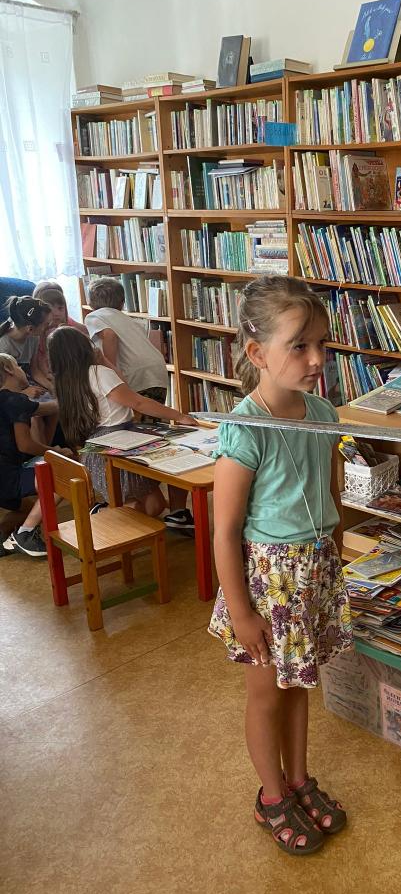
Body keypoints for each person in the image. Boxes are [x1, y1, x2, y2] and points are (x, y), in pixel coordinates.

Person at [208, 276, 353, 856]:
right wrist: (242, 612)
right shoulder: (245, 427)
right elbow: (224, 531)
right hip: (269, 585)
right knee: (267, 694)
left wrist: (335, 554)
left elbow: (330, 493)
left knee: (299, 687)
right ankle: (271, 797)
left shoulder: (323, 413)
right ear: (257, 352)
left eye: (322, 344)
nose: (317, 359)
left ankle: (298, 781)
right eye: (299, 345)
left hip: (312, 574)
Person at [83, 276, 194, 532]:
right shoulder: (126, 318)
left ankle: (131, 500)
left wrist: (109, 367)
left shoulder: (95, 316)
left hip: (133, 378)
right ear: (122, 302)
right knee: (157, 439)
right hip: (156, 374)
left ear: (91, 302)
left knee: (141, 445)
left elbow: (109, 336)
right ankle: (177, 510)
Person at [47, 327, 195, 518]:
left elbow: (122, 386)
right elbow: (137, 402)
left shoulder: (64, 382)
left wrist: (104, 360)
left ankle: (110, 512)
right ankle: (106, 516)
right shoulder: (98, 373)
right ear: (82, 348)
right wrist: (179, 416)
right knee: (151, 502)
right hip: (118, 445)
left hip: (95, 451)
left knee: (154, 505)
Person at [0, 353, 70, 558]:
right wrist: (55, 452)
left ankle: (8, 538)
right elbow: (25, 444)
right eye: (18, 366)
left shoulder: (12, 401)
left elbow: (50, 408)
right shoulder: (15, 400)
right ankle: (25, 533)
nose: (23, 371)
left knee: (27, 509)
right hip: (6, 477)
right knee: (63, 475)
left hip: (6, 476)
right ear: (9, 370)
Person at [32, 281, 89, 382]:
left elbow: (86, 332)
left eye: (60, 308)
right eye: (50, 308)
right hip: (48, 373)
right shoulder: (36, 333)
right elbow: (38, 365)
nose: (56, 313)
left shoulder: (67, 322)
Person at [0, 296, 53, 393]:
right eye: (46, 324)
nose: (49, 327)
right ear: (30, 329)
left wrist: (52, 388)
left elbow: (34, 371)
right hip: (9, 393)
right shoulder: (3, 345)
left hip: (27, 384)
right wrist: (24, 393)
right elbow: (3, 386)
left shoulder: (34, 337)